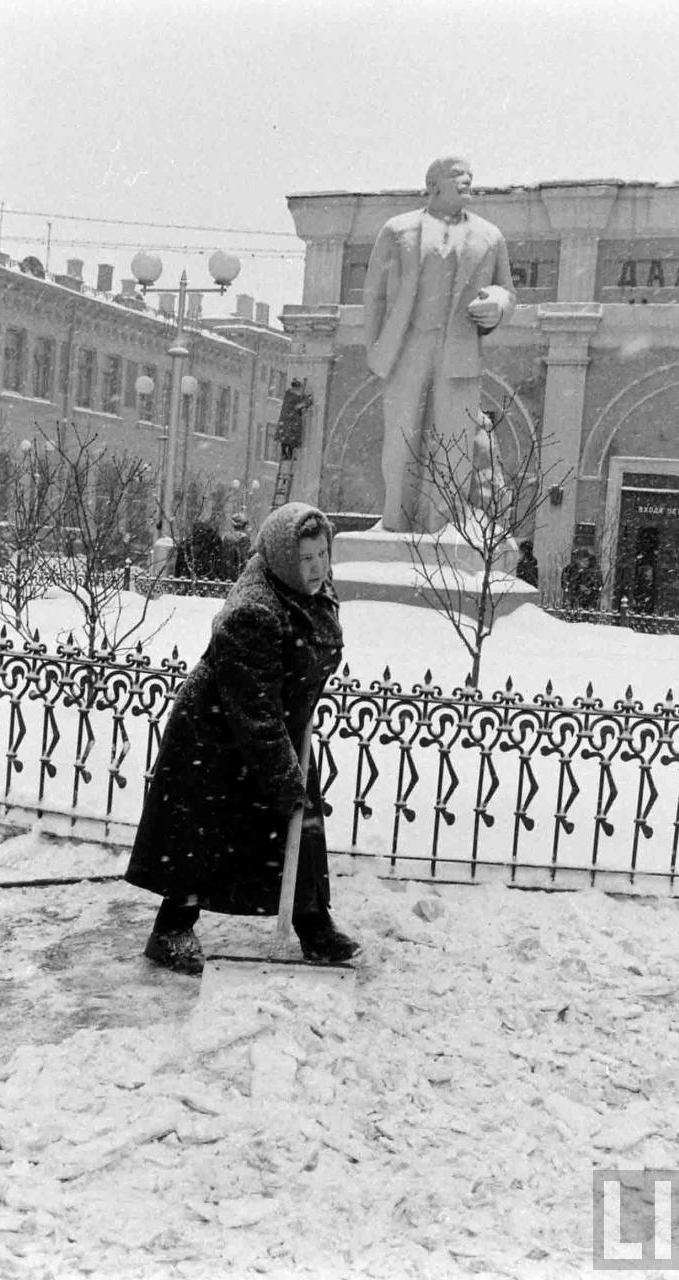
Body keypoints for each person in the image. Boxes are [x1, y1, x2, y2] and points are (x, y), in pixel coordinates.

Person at [125, 502, 359, 974]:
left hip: (278, 725)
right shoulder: (252, 611)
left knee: (298, 830)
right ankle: (169, 931)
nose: (317, 568)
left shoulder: (304, 587)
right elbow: (253, 712)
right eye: (306, 558)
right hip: (215, 737)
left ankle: (313, 924)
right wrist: (284, 778)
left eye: (322, 554)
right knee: (209, 834)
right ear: (283, 558)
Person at [363, 155, 516, 534]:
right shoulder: (398, 230)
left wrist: (497, 305)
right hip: (409, 345)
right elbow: (374, 296)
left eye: (469, 175)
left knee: (454, 439)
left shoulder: (490, 236)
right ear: (433, 184)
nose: (467, 180)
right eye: (456, 174)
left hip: (460, 352)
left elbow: (508, 292)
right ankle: (396, 519)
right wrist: (376, 348)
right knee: (402, 434)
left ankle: (441, 524)